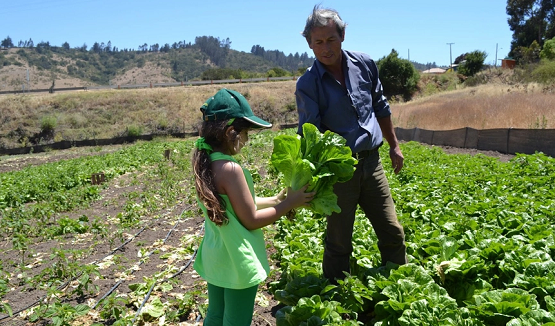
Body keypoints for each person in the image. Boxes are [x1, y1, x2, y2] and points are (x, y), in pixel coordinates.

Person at [295, 5, 408, 283]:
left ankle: (402, 284)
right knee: (339, 240)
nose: (325, 48)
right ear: (309, 44)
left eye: (331, 39)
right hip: (339, 172)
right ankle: (336, 294)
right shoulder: (308, 84)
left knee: (392, 230)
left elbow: (381, 107)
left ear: (342, 36)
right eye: (318, 42)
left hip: (372, 163)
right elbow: (311, 134)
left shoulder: (365, 64)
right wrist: (312, 180)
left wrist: (394, 145)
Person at [192, 88, 314, 326]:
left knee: (215, 315)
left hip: (216, 255)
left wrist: (276, 200)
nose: (246, 140)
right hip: (237, 260)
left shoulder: (205, 163)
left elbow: (235, 204)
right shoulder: (231, 169)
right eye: (246, 133)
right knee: (236, 321)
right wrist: (290, 203)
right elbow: (251, 219)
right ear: (230, 133)